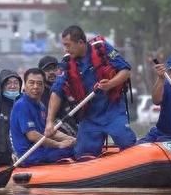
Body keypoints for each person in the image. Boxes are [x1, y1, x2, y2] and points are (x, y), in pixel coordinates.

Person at [46, 25, 136, 160]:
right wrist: (49, 121)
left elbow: (126, 70)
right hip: (90, 117)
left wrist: (110, 84)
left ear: (81, 43)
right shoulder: (66, 62)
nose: (65, 49)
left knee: (126, 142)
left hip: (113, 110)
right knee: (82, 154)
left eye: (68, 45)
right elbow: (56, 92)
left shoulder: (102, 48)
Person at [10, 68, 76, 166]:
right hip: (29, 155)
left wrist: (71, 139)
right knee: (75, 151)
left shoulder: (41, 106)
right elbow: (32, 135)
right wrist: (59, 144)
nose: (35, 87)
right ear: (25, 85)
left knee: (76, 145)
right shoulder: (22, 105)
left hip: (41, 150)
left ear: (44, 86)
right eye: (31, 83)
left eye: (39, 83)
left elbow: (50, 132)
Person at [38, 55, 77, 136]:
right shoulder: (38, 93)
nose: (51, 72)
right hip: (52, 132)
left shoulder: (67, 87)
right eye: (47, 70)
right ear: (40, 73)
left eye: (54, 69)